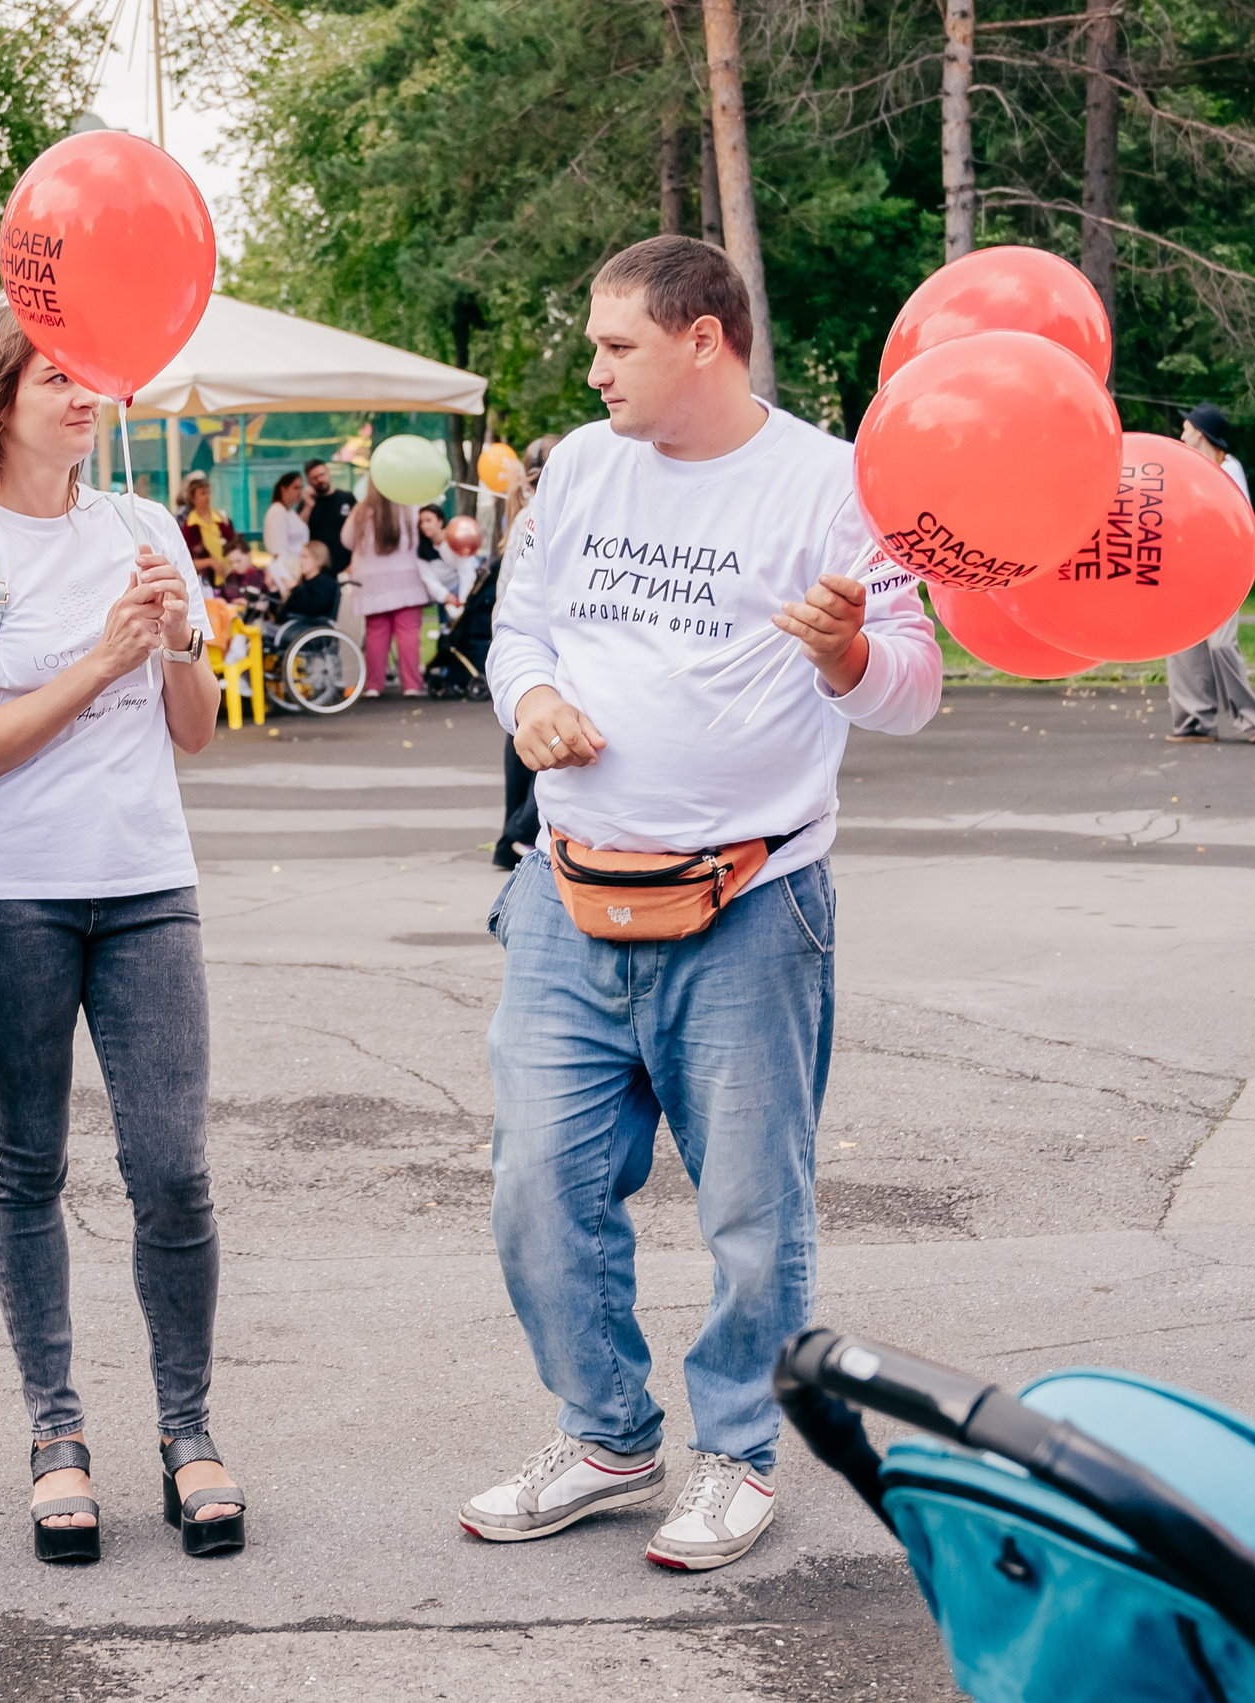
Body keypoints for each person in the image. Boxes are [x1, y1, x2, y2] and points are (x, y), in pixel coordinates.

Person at [468, 235, 940, 1571]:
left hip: (747, 902)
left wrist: (849, 651)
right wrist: (536, 702)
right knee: (537, 1181)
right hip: (568, 897)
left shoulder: (834, 485)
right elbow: (524, 627)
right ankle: (610, 1434)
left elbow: (914, 684)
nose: (593, 366)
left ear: (703, 342)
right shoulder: (576, 465)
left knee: (749, 1205)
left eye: (616, 343)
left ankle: (737, 1454)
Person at [0, 304, 243, 1568]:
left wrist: (170, 646)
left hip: (148, 881)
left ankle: (189, 1432)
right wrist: (102, 658)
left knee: (173, 1170)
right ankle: (57, 1438)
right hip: (9, 896)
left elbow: (195, 730)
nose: (84, 395)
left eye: (88, 376)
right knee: (27, 1161)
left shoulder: (145, 528)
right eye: (58, 377)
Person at [1166, 405, 1255, 745]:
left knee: (1221, 644)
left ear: (1200, 432)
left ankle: (1252, 721)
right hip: (1189, 569)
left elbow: (1230, 518)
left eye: (1185, 428)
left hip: (1225, 571)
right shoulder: (1187, 467)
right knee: (1182, 642)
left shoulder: (1229, 469)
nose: (1181, 435)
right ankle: (1195, 723)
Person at [493, 438, 558, 869]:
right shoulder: (547, 510)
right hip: (538, 636)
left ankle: (511, 832)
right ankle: (521, 830)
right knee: (546, 740)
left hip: (513, 633)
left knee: (521, 738)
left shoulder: (524, 511)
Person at [344, 481, 430, 698]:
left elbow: (346, 540)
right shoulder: (410, 507)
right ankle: (411, 684)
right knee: (408, 632)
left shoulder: (361, 511)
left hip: (371, 582)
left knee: (376, 633)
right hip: (406, 578)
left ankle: (374, 685)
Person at [175, 471, 241, 580]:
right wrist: (210, 562)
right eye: (202, 493)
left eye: (208, 493)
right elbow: (185, 560)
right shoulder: (190, 527)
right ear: (193, 498)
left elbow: (233, 542)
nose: (207, 497)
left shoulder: (220, 520)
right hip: (206, 581)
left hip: (230, 577)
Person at [304, 457, 356, 574]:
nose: (320, 480)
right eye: (315, 478)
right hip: (319, 568)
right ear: (309, 481)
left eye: (322, 475)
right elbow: (300, 530)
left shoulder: (347, 498)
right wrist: (308, 506)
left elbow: (358, 530)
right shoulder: (307, 504)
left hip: (346, 564)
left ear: (328, 472)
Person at [262, 472, 311, 573]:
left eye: (301, 488)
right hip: (287, 572)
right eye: (295, 488)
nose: (300, 492)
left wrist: (308, 506)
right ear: (284, 489)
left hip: (298, 569)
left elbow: (299, 528)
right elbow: (278, 552)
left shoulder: (289, 511)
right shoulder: (276, 512)